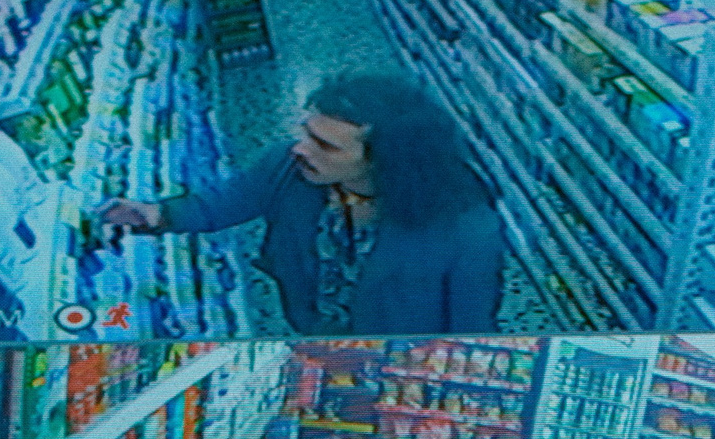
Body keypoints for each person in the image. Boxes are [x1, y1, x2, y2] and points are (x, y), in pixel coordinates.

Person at [99, 72, 502, 335]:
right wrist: (157, 215)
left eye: (325, 145)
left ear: (386, 159)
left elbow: (471, 323)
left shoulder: (467, 229)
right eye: (307, 133)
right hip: (313, 325)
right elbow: (226, 201)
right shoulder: (288, 167)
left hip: (389, 350)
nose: (300, 149)